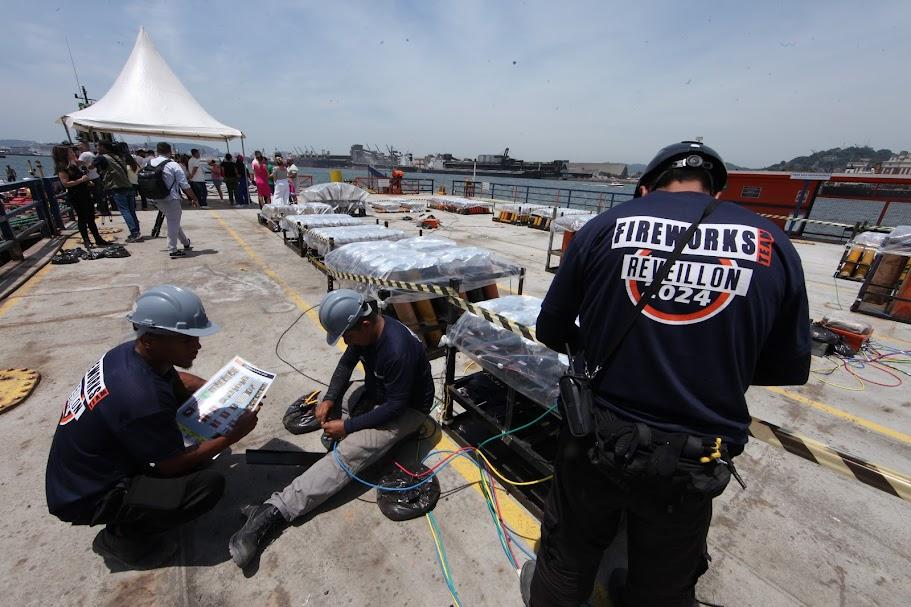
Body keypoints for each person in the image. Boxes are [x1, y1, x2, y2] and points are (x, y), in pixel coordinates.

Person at [523, 141, 811, 607]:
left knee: (568, 552)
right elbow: (788, 365)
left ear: (645, 187)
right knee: (665, 581)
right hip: (693, 455)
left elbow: (550, 328)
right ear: (716, 191)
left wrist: (599, 346)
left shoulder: (603, 227)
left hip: (598, 436)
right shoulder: (773, 242)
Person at [45, 285, 259, 567]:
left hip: (83, 470)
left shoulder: (130, 354)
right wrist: (232, 435)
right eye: (186, 340)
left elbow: (178, 381)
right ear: (151, 340)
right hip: (89, 493)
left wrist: (221, 393)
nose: (197, 345)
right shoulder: (140, 397)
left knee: (199, 446)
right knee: (206, 485)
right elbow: (168, 465)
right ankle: (122, 536)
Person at [228, 289, 434, 569]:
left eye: (347, 336)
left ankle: (274, 512)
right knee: (337, 405)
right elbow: (346, 364)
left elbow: (395, 408)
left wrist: (348, 426)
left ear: (364, 323)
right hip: (380, 392)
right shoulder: (366, 329)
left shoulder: (397, 350)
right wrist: (329, 399)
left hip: (407, 410)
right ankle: (342, 418)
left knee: (351, 452)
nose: (346, 342)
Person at [145, 142, 199, 258]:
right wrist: (194, 198)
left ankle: (185, 242)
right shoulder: (173, 165)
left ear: (157, 151)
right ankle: (172, 249)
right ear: (169, 151)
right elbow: (184, 184)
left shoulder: (149, 163)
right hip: (170, 198)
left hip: (154, 198)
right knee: (173, 222)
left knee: (173, 221)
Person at [52, 145, 110, 248]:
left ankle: (98, 239)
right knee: (82, 218)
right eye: (70, 152)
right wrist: (81, 180)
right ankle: (87, 241)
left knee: (91, 217)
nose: (73, 153)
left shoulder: (73, 165)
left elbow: (83, 173)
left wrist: (86, 181)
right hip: (76, 195)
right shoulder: (62, 167)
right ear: (64, 154)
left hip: (85, 193)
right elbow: (65, 183)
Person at [96, 141, 142, 242]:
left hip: (118, 187)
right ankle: (137, 231)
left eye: (98, 146)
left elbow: (92, 166)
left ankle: (134, 233)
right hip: (129, 186)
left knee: (125, 211)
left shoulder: (104, 157)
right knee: (131, 211)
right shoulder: (120, 157)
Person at [78, 142, 111, 220]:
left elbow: (78, 164)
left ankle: (96, 210)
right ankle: (104, 210)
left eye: (79, 145)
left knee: (91, 196)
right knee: (99, 194)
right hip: (96, 176)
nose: (78, 146)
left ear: (84, 146)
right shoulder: (91, 154)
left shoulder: (83, 154)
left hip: (90, 178)